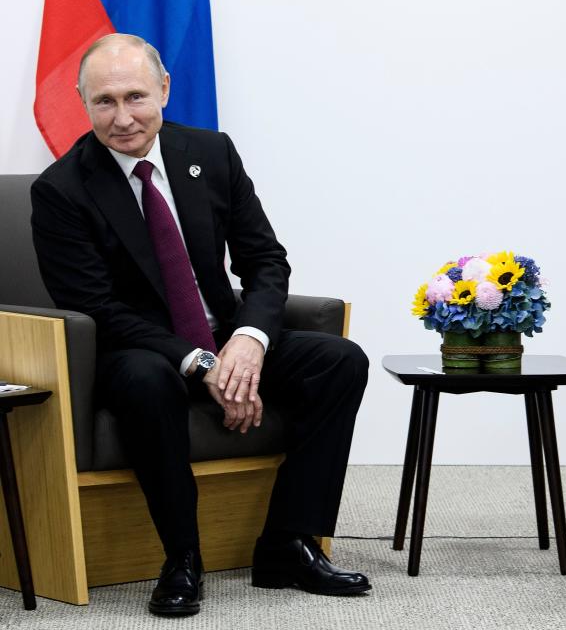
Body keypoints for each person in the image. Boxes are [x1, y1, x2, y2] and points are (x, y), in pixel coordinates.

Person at [31, 33, 371, 617]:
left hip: (222, 334)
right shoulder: (61, 190)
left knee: (341, 359)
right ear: (82, 103)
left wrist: (249, 341)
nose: (122, 118)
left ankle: (288, 542)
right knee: (145, 378)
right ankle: (182, 557)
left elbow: (265, 260)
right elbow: (99, 308)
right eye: (103, 101)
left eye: (135, 96)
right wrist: (202, 363)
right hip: (137, 348)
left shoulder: (210, 153)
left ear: (164, 89)